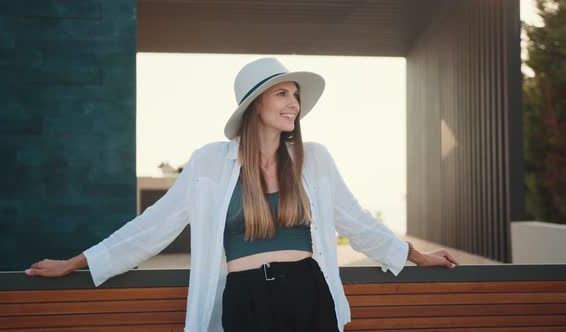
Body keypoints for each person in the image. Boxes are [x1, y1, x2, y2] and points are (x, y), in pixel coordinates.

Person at [25, 57, 459, 332]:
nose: (294, 104)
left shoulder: (316, 159)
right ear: (255, 105)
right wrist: (77, 262)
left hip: (309, 293)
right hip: (245, 297)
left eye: (296, 96)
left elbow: (357, 221)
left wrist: (414, 254)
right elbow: (154, 225)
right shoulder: (210, 163)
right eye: (282, 93)